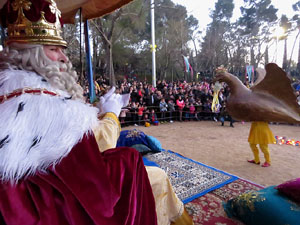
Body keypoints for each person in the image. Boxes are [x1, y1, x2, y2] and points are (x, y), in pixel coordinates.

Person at [0, 0, 192, 224]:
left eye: (63, 49)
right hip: (49, 210)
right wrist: (111, 114)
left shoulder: (11, 89)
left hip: (22, 204)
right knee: (143, 168)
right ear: (29, 53)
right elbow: (95, 178)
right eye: (53, 49)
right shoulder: (48, 105)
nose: (64, 57)